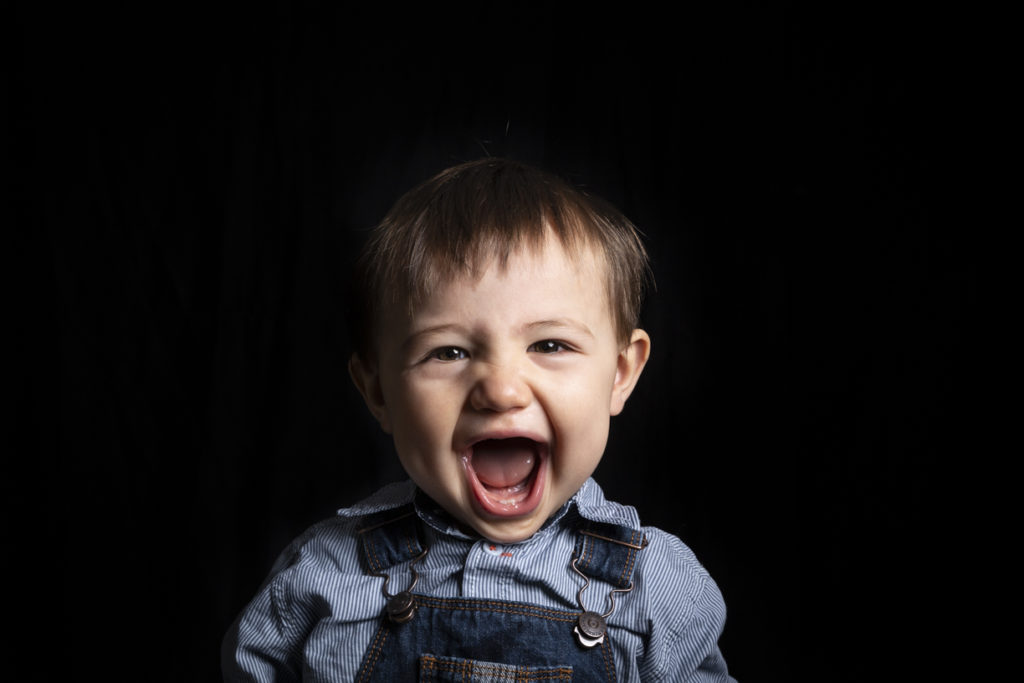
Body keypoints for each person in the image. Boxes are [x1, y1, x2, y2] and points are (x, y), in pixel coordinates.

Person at [222, 158, 735, 681]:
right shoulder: (322, 574)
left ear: (620, 373)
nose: (500, 389)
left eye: (550, 345)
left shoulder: (660, 587)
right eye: (448, 352)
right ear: (378, 391)